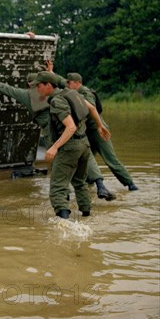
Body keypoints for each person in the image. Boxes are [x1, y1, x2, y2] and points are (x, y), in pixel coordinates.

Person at [0, 71, 116, 201]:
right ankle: (100, 186)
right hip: (73, 129)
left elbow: (8, 89)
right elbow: (90, 107)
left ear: (30, 84)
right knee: (87, 158)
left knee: (60, 164)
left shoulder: (27, 95)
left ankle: (64, 194)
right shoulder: (62, 92)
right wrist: (100, 125)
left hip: (51, 133)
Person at [34, 71, 111, 219]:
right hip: (84, 145)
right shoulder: (72, 93)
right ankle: (86, 215)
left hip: (70, 147)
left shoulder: (57, 101)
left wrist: (54, 147)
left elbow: (70, 127)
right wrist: (100, 126)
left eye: (39, 86)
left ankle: (64, 223)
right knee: (80, 182)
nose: (37, 89)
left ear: (49, 85)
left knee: (57, 188)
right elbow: (92, 108)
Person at [65, 73, 138, 191]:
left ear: (77, 82)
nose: (67, 85)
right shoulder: (73, 92)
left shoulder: (85, 93)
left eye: (69, 83)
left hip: (98, 131)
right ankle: (90, 184)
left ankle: (130, 184)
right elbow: (58, 82)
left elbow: (90, 109)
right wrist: (51, 72)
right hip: (87, 132)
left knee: (110, 159)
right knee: (86, 160)